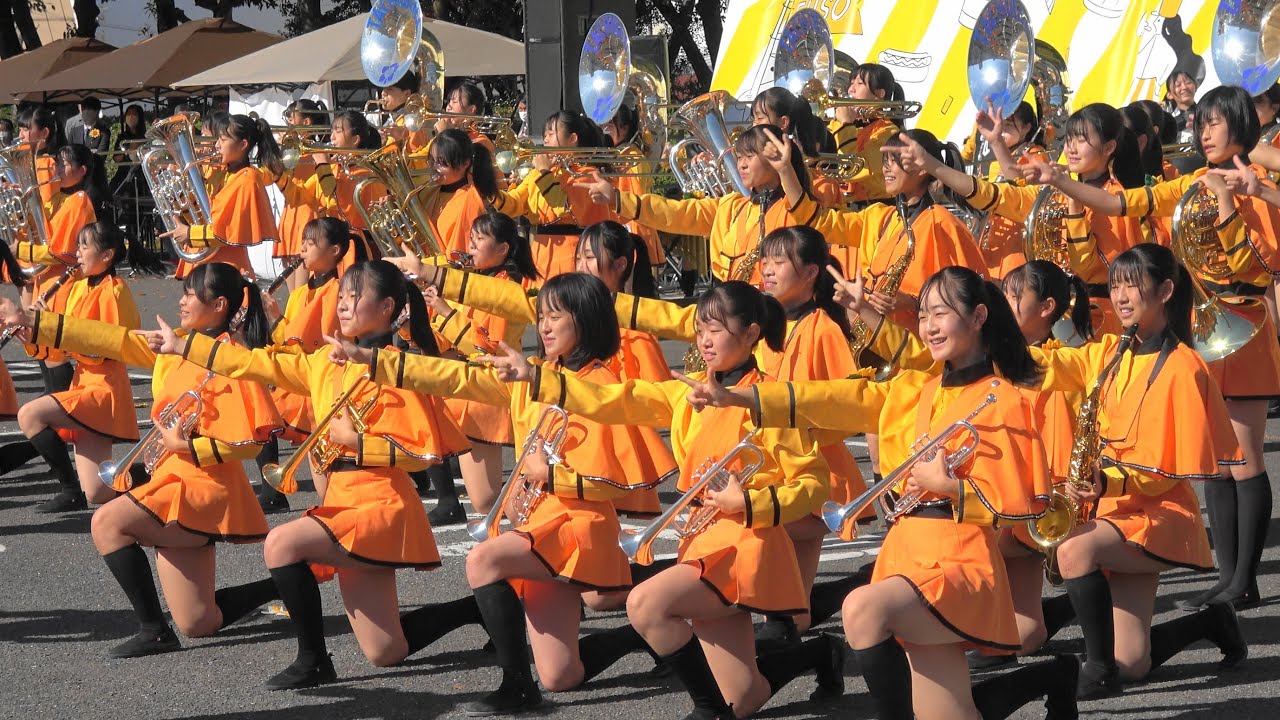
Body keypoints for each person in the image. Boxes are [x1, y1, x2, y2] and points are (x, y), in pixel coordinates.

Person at [684, 266, 1078, 720]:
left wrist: (951, 488)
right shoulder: (913, 389)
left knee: (862, 609)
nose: (928, 326)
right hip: (906, 553)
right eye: (923, 315)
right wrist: (744, 399)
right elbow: (834, 399)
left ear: (978, 317)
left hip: (959, 561)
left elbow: (1015, 507)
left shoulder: (1003, 398)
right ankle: (1053, 676)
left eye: (941, 313)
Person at [484, 281, 843, 719]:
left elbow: (813, 483)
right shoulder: (686, 394)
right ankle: (820, 654)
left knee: (647, 604)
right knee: (745, 695)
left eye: (716, 330)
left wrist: (751, 503)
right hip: (703, 540)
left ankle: (708, 711)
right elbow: (611, 399)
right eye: (700, 330)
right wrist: (537, 377)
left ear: (751, 334)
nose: (704, 341)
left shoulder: (770, 401)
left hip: (748, 544)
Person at [329, 273, 676, 714]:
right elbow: (454, 377)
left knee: (485, 560)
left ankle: (516, 686)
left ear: (585, 320)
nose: (543, 326)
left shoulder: (601, 383)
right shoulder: (537, 374)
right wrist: (374, 359)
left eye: (555, 317)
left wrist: (549, 476)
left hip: (578, 526)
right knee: (562, 675)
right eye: (541, 316)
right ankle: (647, 638)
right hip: (540, 524)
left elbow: (613, 482)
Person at [141, 260, 465, 690]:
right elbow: (253, 364)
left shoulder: (401, 366)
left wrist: (356, 441)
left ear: (388, 307)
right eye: (342, 296)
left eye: (355, 297)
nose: (343, 305)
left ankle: (313, 660)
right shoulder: (324, 362)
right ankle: (478, 609)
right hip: (343, 498)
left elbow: (420, 455)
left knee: (283, 543)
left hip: (381, 502)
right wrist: (186, 348)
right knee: (386, 651)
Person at [1019, 85, 1279, 611]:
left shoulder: (1259, 183)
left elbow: (1255, 266)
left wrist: (1237, 198)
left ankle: (1245, 580)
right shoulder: (1189, 180)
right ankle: (1226, 578)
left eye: (1215, 122)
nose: (1203, 132)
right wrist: (1062, 181)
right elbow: (1121, 202)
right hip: (1205, 324)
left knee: (1246, 459)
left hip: (1245, 324)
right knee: (1218, 464)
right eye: (1200, 123)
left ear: (1240, 125)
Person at [0, 262, 285, 657]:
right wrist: (33, 320)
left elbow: (250, 444)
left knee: (108, 523)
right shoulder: (177, 343)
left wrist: (187, 447)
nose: (181, 301)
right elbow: (112, 339)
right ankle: (289, 581)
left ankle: (154, 631)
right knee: (199, 622)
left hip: (204, 487)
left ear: (219, 305)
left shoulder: (234, 358)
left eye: (190, 295)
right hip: (171, 480)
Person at [1031, 244, 1248, 697]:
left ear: (1165, 290)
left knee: (1074, 550)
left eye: (1132, 285)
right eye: (1115, 285)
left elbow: (1172, 469)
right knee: (1133, 663)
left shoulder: (1184, 367)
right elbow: (1057, 364)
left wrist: (1110, 481)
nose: (1121, 296)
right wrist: (998, 345)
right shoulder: (1112, 349)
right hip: (1113, 510)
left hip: (1159, 513)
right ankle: (1211, 622)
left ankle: (1097, 669)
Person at [890, 103, 1147, 334]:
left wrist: (1073, 203)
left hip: (1099, 320)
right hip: (1054, 318)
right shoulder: (1055, 191)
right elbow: (994, 194)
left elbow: (1088, 268)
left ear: (1109, 147)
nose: (1070, 148)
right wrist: (933, 165)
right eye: (1069, 139)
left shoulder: (1114, 198)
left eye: (1081, 140)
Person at [582, 124, 811, 285]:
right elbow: (675, 213)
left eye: (749, 157)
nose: (741, 164)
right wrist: (618, 198)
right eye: (739, 157)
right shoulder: (731, 206)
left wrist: (785, 170)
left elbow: (804, 213)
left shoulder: (796, 208)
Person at [14, 222, 140, 513]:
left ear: (107, 255)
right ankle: (156, 474)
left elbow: (108, 348)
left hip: (104, 388)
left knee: (30, 414)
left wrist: (52, 328)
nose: (78, 253)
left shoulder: (115, 291)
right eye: (78, 245)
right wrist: (35, 333)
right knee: (98, 492)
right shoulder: (78, 287)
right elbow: (60, 349)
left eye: (85, 246)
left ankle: (70, 490)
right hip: (83, 383)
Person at [254, 217, 366, 514]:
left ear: (334, 251)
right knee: (263, 416)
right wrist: (272, 318)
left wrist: (277, 322)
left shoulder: (337, 290)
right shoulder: (300, 293)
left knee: (326, 465)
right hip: (304, 376)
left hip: (327, 379)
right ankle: (272, 492)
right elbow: (287, 339)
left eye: (311, 243)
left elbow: (312, 339)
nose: (302, 249)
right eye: (303, 242)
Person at [160, 114, 283, 280]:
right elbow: (205, 217)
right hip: (208, 263)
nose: (217, 145)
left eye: (223, 140)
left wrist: (189, 233)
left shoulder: (247, 178)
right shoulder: (223, 173)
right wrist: (182, 192)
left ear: (243, 145)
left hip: (226, 268)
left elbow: (226, 232)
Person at [1163, 70, 1205, 175]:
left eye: (1188, 82)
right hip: (1176, 175)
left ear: (1195, 86)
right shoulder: (1165, 120)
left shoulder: (1207, 113)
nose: (1184, 87)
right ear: (1169, 95)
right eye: (1178, 85)